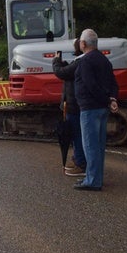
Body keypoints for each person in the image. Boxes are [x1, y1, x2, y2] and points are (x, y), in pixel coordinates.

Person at [74, 29, 119, 191]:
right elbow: (113, 83)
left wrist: (107, 100)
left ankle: (92, 181)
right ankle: (95, 178)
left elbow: (90, 85)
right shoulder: (104, 60)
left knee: (90, 146)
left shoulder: (86, 61)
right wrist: (112, 99)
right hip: (102, 108)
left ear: (84, 44)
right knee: (98, 146)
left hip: (90, 108)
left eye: (80, 41)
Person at [52, 38, 86, 177]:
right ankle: (79, 159)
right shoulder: (80, 61)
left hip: (73, 104)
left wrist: (55, 61)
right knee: (77, 133)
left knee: (76, 134)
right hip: (74, 103)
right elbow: (68, 71)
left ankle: (80, 163)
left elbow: (61, 72)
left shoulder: (80, 61)